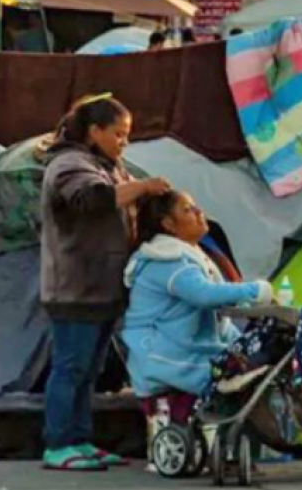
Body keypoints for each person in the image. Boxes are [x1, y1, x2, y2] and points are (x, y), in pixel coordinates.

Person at [40, 95, 172, 472]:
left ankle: (80, 440)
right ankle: (58, 444)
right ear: (94, 131)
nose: (123, 142)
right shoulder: (68, 165)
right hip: (74, 289)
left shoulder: (111, 166)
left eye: (127, 135)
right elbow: (92, 199)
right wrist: (143, 187)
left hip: (104, 289)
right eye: (118, 134)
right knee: (70, 368)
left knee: (89, 372)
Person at [121, 190, 272, 421]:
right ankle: (222, 378)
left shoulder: (191, 254)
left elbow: (219, 316)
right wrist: (254, 290)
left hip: (184, 346)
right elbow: (204, 294)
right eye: (188, 210)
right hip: (162, 356)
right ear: (169, 224)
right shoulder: (168, 260)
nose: (200, 212)